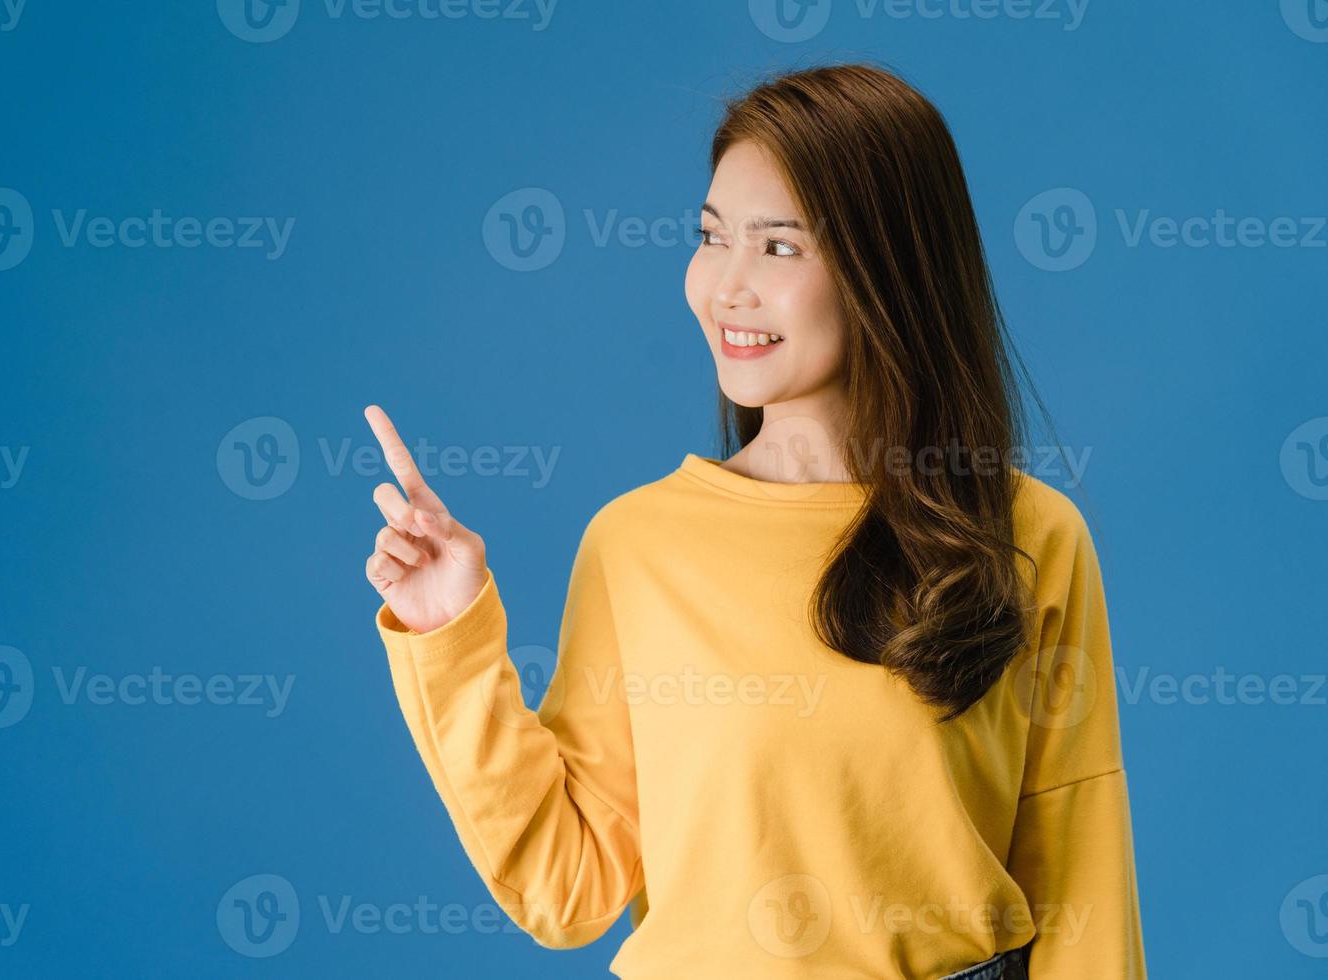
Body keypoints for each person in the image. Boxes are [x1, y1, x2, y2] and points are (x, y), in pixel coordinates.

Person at [363, 62, 1147, 980]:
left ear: (889, 266)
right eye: (710, 237)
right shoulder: (637, 546)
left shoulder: (1026, 533)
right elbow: (565, 887)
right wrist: (448, 636)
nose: (725, 286)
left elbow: (1078, 865)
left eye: (778, 248)